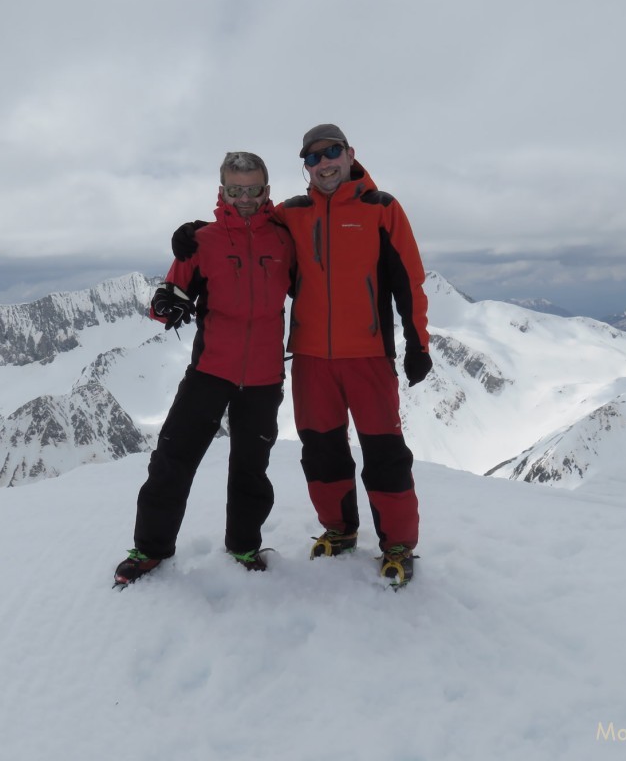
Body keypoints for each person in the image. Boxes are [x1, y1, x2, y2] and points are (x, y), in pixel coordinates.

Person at [173, 124, 432, 586]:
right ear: (306, 167)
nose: (324, 163)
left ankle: (397, 544)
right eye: (313, 158)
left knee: (385, 452)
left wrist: (417, 344)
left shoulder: (382, 209)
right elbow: (245, 228)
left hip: (368, 356)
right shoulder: (292, 215)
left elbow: (408, 282)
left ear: (350, 153)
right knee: (322, 449)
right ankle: (338, 529)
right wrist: (193, 232)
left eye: (332, 152)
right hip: (311, 359)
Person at [113, 151, 294, 587]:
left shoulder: (286, 240)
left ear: (266, 191)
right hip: (210, 370)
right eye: (236, 189)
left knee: (251, 468)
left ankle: (244, 545)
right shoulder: (202, 242)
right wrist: (165, 305)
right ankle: (151, 549)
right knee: (172, 461)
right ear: (222, 191)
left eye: (253, 189)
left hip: (265, 376)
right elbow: (170, 297)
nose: (245, 198)